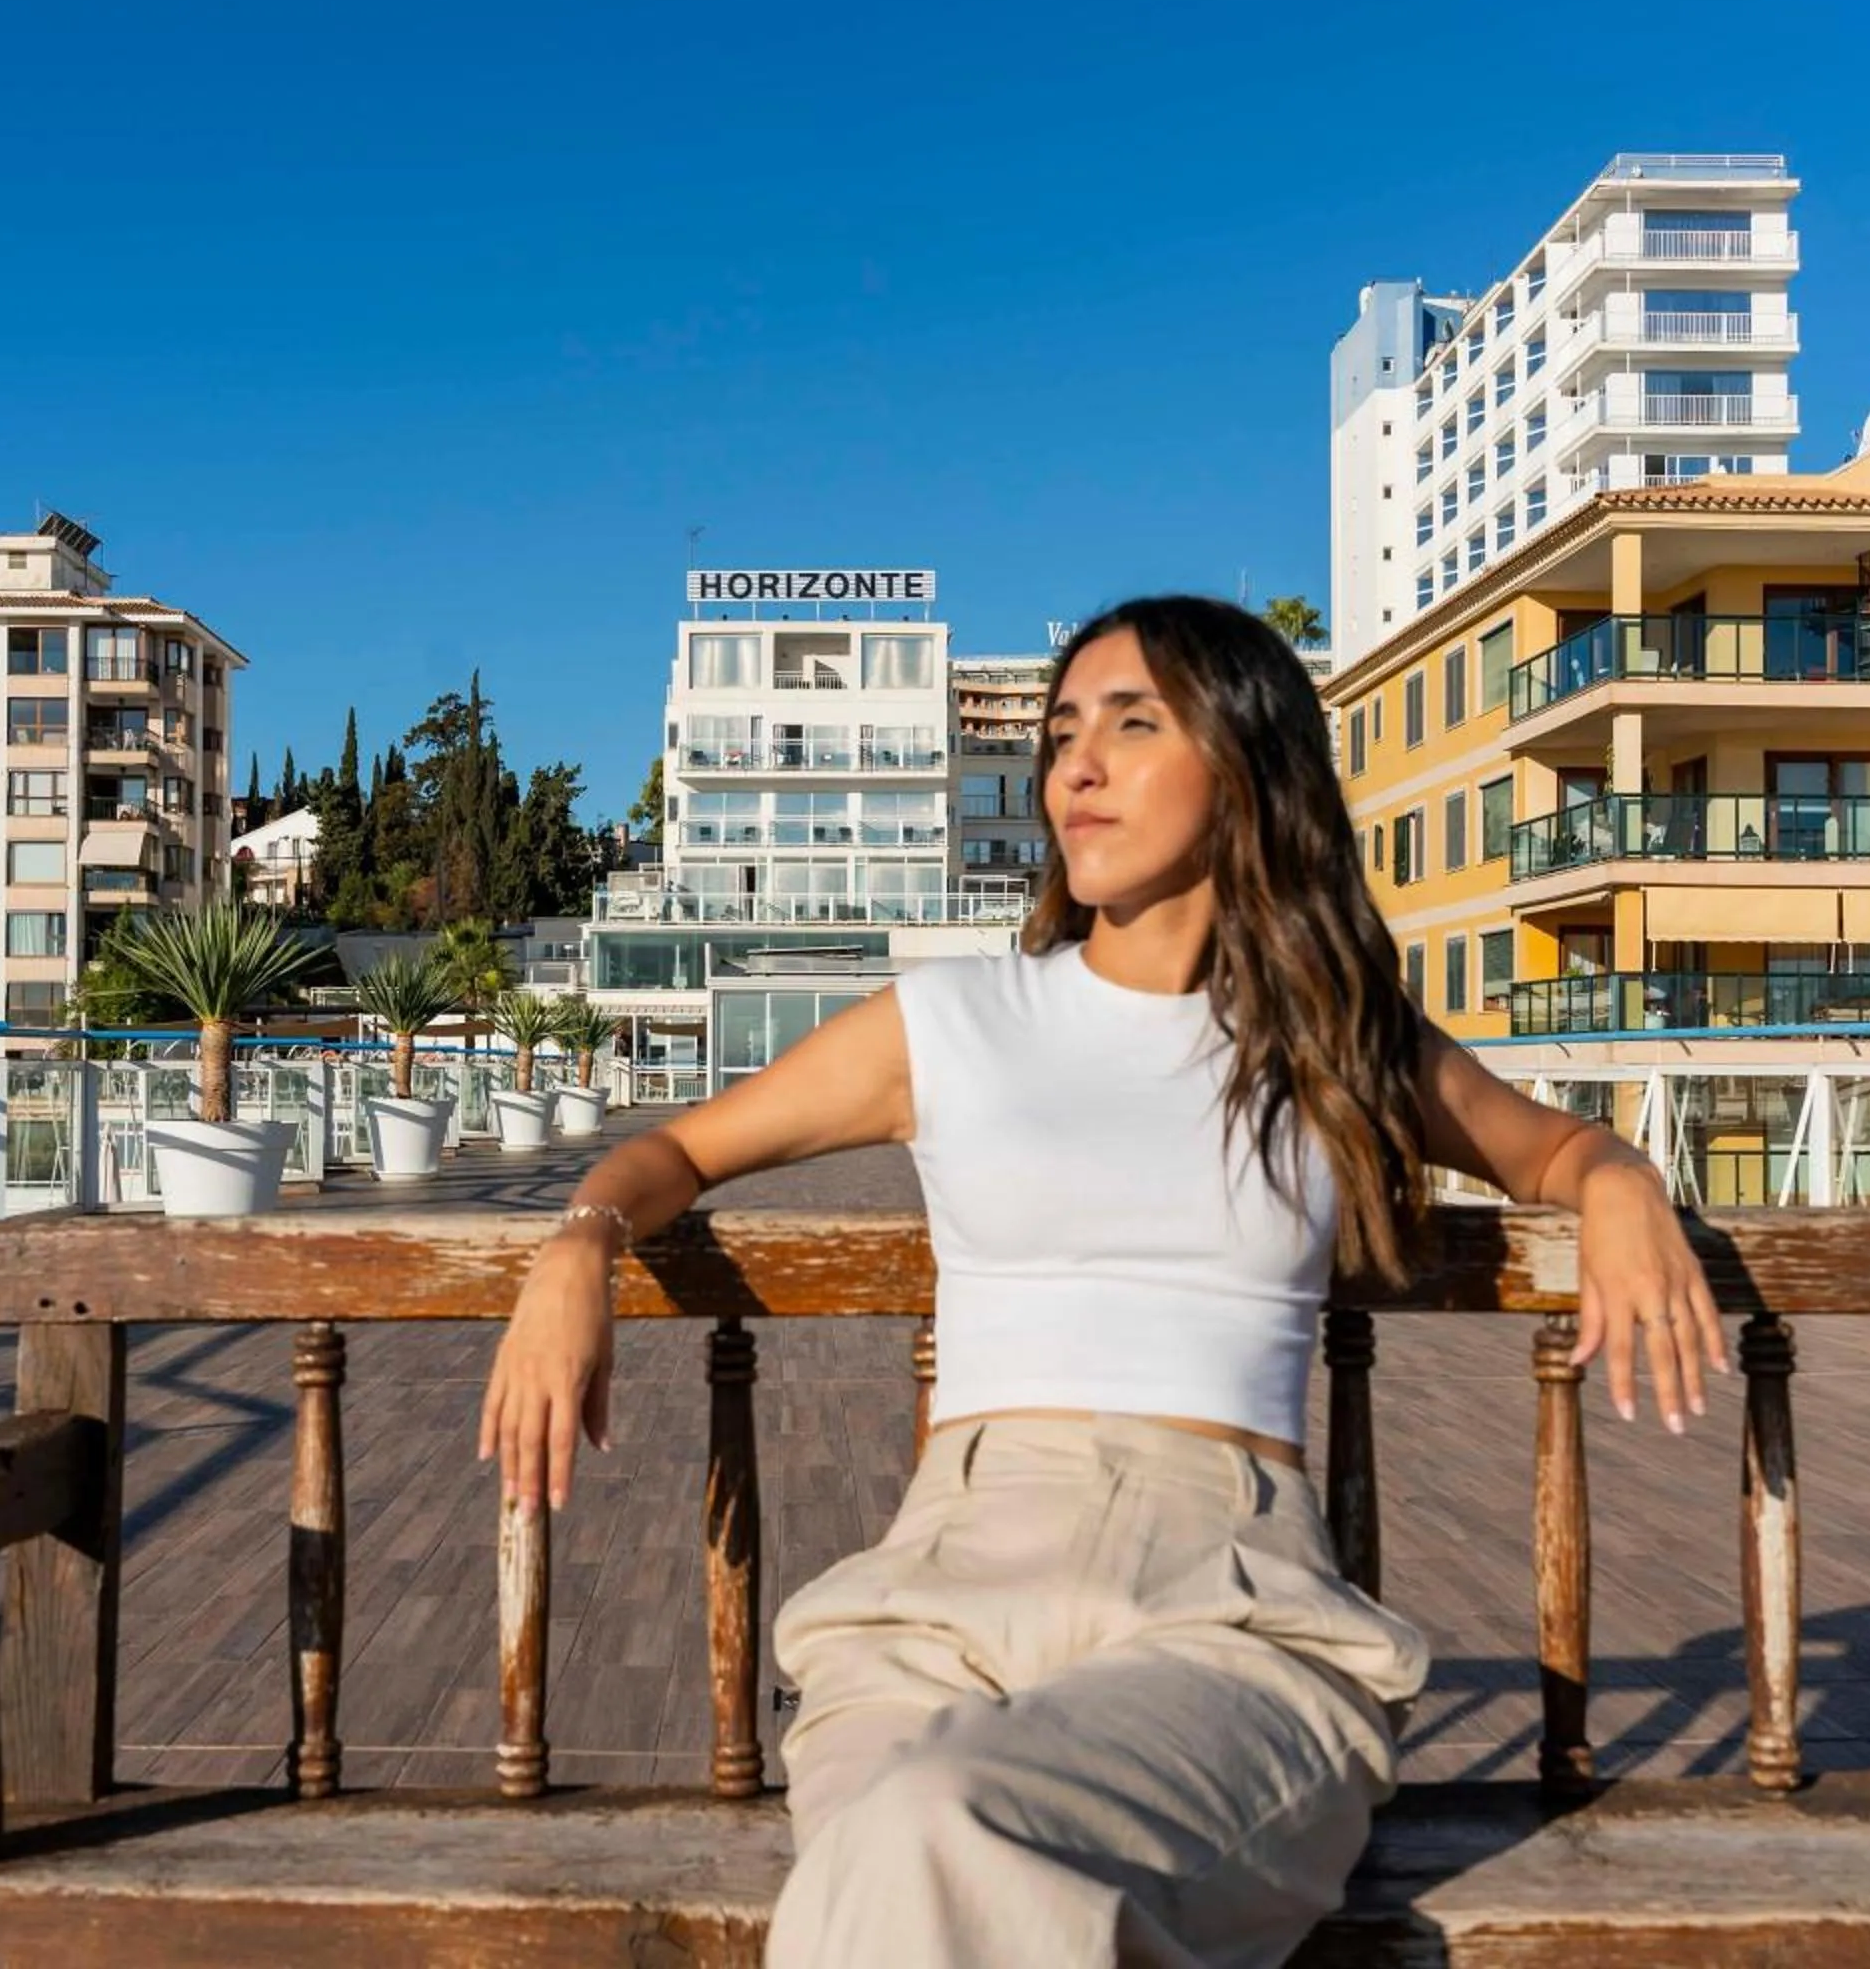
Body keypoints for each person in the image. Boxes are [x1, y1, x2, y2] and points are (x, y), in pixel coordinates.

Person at [479, 595, 1723, 1967]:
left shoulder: (1328, 1040)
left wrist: (1616, 1184)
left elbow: (1550, 1145)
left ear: (1248, 765)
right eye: (1064, 732)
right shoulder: (957, 1020)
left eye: (1133, 726)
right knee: (911, 1856)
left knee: (917, 1851)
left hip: (1229, 1597)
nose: (1074, 767)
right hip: (939, 1597)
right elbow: (675, 1150)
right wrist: (580, 1242)